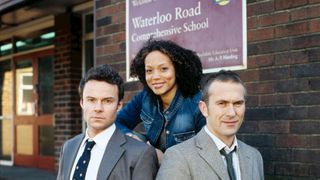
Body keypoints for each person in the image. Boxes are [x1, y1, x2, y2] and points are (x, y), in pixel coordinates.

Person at [156, 70, 264, 180]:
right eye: (222, 103)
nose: (232, 113)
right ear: (204, 108)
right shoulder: (178, 156)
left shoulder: (254, 156)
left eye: (238, 103)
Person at [56, 65, 158, 180]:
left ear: (119, 105)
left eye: (107, 101)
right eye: (91, 100)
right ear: (82, 103)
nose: (98, 108)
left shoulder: (141, 153)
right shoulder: (68, 146)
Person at [116, 39, 206, 154]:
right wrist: (132, 138)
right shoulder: (144, 98)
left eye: (163, 69)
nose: (155, 76)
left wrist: (164, 159)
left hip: (185, 170)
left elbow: (206, 153)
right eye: (149, 70)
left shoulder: (197, 104)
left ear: (177, 70)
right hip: (151, 167)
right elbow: (118, 122)